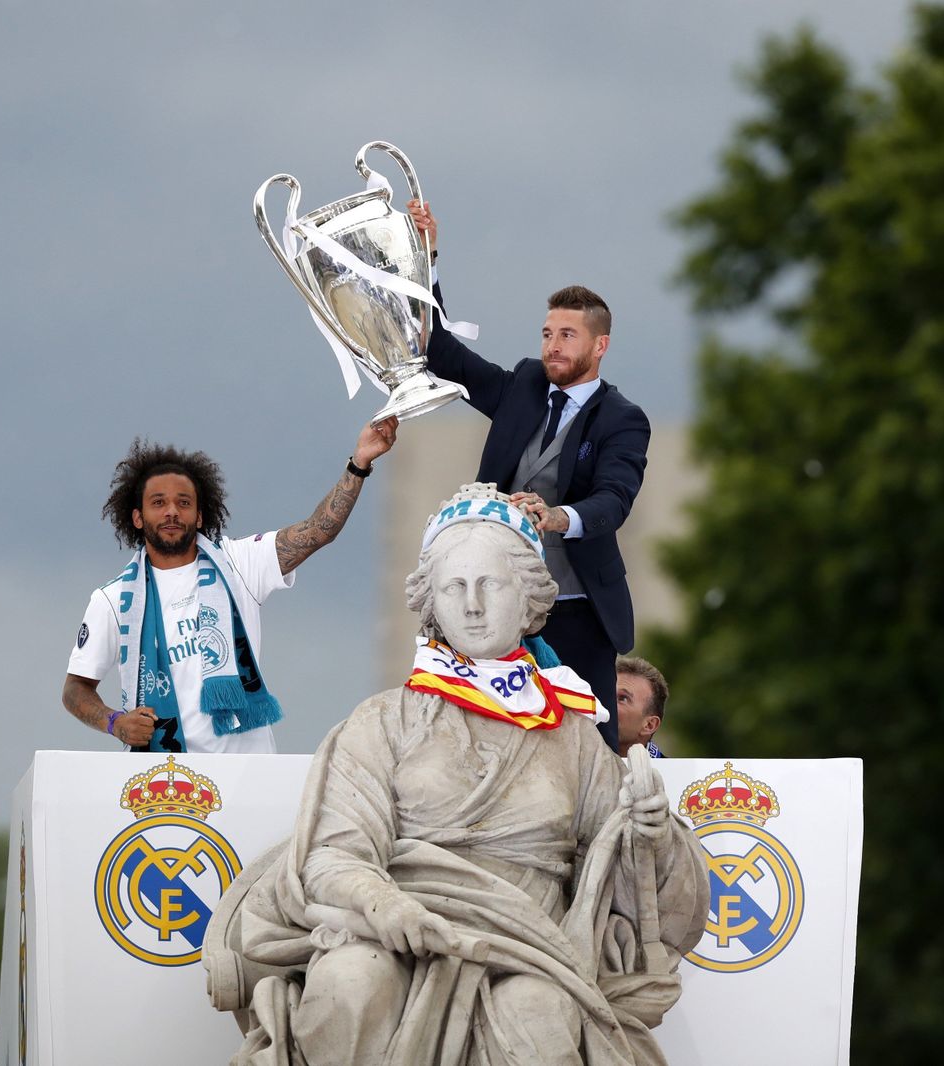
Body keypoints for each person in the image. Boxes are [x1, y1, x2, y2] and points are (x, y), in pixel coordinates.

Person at [204, 485, 708, 1065]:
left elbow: (631, 882)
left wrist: (652, 834)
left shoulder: (573, 736)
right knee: (350, 984)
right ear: (432, 602)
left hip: (528, 945)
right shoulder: (383, 721)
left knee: (538, 1019)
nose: (471, 605)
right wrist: (384, 906)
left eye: (489, 584)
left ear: (528, 599)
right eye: (454, 587)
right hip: (393, 928)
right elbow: (332, 855)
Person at [408, 199, 651, 753]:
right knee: (489, 740)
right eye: (547, 333)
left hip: (577, 604)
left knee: (588, 746)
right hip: (499, 604)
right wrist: (429, 256)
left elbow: (614, 500)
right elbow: (441, 353)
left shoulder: (623, 419)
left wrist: (557, 516)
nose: (552, 345)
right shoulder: (522, 384)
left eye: (567, 335)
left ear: (599, 345)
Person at [61, 418, 398, 753]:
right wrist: (114, 722)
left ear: (200, 516)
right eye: (158, 503)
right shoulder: (113, 599)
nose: (172, 513)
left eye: (184, 503)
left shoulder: (238, 562)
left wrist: (359, 464)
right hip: (164, 790)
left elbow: (317, 531)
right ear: (137, 517)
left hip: (247, 780)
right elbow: (76, 687)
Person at [615, 655, 669, 759]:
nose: (605, 704)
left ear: (649, 725)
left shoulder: (676, 774)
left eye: (622, 698)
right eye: (605, 695)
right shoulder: (577, 767)